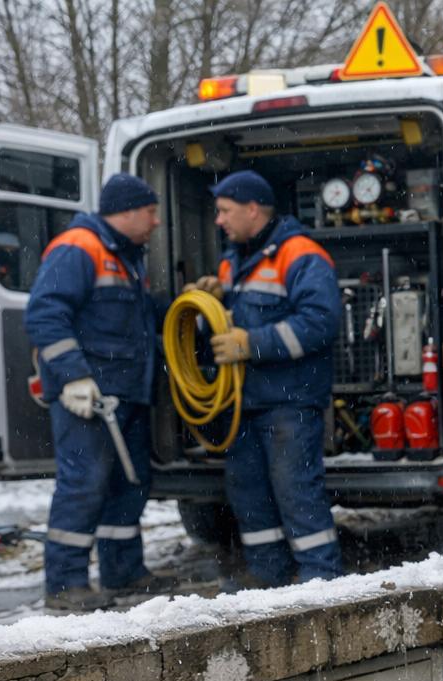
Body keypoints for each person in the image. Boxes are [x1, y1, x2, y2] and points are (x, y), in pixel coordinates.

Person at [187, 170, 343, 586]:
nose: (218, 220)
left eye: (224, 211)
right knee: (249, 496)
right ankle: (267, 577)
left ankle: (321, 581)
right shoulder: (231, 260)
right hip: (244, 402)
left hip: (289, 401)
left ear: (252, 209)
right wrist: (207, 310)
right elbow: (222, 332)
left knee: (296, 494)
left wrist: (252, 344)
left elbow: (321, 323)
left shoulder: (301, 255)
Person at [26, 174, 174, 612]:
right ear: (127, 211)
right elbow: (45, 314)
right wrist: (73, 376)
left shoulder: (127, 257)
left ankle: (123, 571)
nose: (156, 221)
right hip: (88, 395)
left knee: (128, 484)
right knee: (84, 483)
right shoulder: (78, 247)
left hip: (125, 392)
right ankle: (66, 582)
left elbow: (141, 321)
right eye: (150, 212)